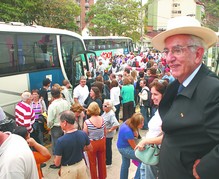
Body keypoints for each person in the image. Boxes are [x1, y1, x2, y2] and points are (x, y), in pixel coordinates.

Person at [151, 16, 218, 179]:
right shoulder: (176, 85)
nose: (169, 58)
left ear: (198, 54)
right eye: (167, 51)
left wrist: (206, 168)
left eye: (177, 50)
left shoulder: (212, 90)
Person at [135, 79, 168, 179]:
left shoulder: (167, 113)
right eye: (152, 94)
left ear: (164, 94)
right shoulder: (160, 109)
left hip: (154, 153)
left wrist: (145, 141)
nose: (152, 97)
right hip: (148, 151)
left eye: (156, 94)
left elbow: (166, 137)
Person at [54, 110, 92, 179]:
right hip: (81, 165)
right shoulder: (83, 134)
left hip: (68, 169)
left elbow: (57, 163)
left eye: (60, 122)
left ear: (65, 122)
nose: (60, 124)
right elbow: (90, 148)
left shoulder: (61, 141)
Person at [47, 87, 70, 169]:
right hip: (66, 125)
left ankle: (57, 163)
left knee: (57, 146)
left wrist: (49, 127)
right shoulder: (66, 102)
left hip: (56, 127)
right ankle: (65, 160)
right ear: (60, 94)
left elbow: (50, 120)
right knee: (66, 143)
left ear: (52, 95)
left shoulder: (52, 106)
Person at [117, 113, 144, 179]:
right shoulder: (128, 132)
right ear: (136, 123)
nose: (143, 124)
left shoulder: (128, 122)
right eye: (141, 123)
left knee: (125, 164)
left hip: (121, 145)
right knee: (143, 160)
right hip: (125, 148)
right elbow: (135, 147)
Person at [83, 102, 107, 179]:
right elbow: (105, 132)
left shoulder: (87, 122)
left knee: (92, 163)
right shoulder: (102, 119)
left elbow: (85, 135)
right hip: (101, 141)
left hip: (92, 143)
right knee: (102, 161)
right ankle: (102, 177)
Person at [101, 99, 119, 166]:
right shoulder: (106, 112)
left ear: (109, 107)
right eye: (103, 105)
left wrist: (109, 130)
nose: (103, 106)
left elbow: (116, 124)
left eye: (105, 106)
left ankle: (108, 162)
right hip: (105, 134)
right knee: (106, 147)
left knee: (108, 147)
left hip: (108, 135)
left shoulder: (111, 114)